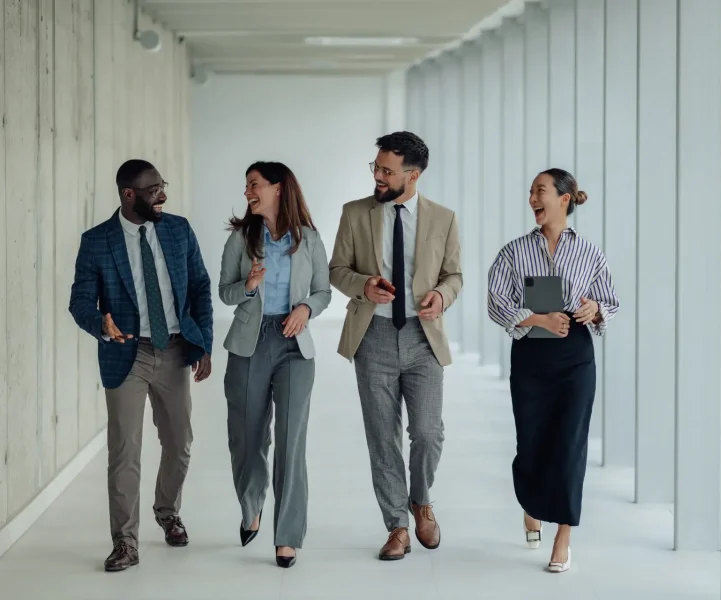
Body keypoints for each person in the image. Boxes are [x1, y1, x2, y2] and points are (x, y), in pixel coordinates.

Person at [68, 159, 213, 572]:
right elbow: (79, 301)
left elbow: (200, 286)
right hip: (125, 354)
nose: (162, 195)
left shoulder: (178, 229)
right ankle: (125, 542)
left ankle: (167, 513)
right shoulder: (97, 241)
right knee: (125, 452)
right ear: (129, 194)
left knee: (179, 444)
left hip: (174, 351)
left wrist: (203, 343)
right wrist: (100, 322)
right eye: (154, 190)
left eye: (162, 186)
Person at [329, 131, 462, 561]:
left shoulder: (443, 218)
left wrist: (442, 296)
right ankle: (397, 526)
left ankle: (421, 500)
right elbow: (337, 270)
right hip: (375, 337)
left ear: (413, 174)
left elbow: (454, 276)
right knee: (382, 437)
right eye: (376, 168)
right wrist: (364, 285)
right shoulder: (355, 213)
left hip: (424, 339)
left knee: (427, 433)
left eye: (387, 170)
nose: (379, 176)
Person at [487, 168, 619, 573]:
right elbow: (496, 302)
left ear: (564, 198)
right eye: (530, 192)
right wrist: (539, 319)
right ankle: (531, 504)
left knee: (569, 444)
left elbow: (609, 301)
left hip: (576, 359)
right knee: (531, 444)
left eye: (539, 191)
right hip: (531, 359)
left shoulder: (590, 252)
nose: (532, 198)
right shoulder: (513, 252)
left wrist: (594, 309)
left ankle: (563, 533)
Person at [219, 161, 331, 568]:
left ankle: (287, 536)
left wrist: (305, 307)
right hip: (250, 343)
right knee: (247, 439)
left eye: (255, 184)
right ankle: (251, 505)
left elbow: (323, 292)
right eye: (246, 185)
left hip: (294, 346)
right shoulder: (241, 239)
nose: (248, 191)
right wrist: (248, 286)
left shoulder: (310, 239)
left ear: (278, 188)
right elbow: (225, 291)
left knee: (290, 441)